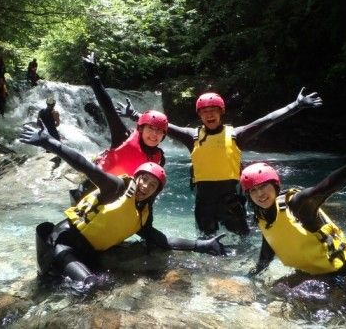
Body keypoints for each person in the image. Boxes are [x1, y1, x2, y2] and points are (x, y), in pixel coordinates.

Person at [19, 124, 230, 292]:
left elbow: (160, 239)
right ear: (136, 178)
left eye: (152, 184)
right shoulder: (117, 187)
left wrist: (199, 245)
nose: (145, 186)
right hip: (60, 245)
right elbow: (85, 165)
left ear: (157, 191)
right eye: (143, 179)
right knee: (92, 286)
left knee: (106, 282)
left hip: (87, 252)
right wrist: (49, 142)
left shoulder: (142, 215)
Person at [117, 88, 323, 238]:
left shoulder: (236, 135)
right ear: (200, 115)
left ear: (221, 112)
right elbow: (162, 126)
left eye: (213, 110)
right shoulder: (192, 137)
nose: (209, 114)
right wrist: (134, 115)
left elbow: (267, 120)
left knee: (243, 239)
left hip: (232, 201)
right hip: (203, 203)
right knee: (206, 241)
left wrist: (296, 105)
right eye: (204, 111)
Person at [239, 128, 346, 291]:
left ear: (275, 186)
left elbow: (326, 187)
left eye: (264, 186)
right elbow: (270, 245)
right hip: (313, 278)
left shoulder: (297, 204)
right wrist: (254, 273)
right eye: (253, 190)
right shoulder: (262, 216)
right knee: (276, 290)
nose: (260, 194)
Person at [71, 52, 168, 203]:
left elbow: (152, 188)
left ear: (163, 136)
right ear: (141, 129)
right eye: (151, 129)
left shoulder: (159, 158)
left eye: (159, 131)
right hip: (92, 192)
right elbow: (107, 106)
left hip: (121, 199)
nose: (154, 134)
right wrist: (93, 74)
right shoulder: (123, 137)